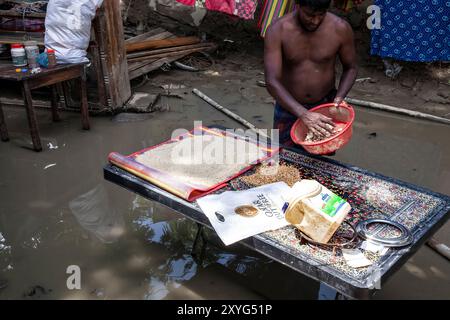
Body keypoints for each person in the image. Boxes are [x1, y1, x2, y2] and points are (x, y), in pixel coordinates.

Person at [264, 0, 357, 150]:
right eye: (309, 15)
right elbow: (272, 80)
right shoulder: (278, 30)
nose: (315, 21)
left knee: (322, 156)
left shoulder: (340, 28)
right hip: (289, 104)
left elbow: (351, 68)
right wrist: (304, 114)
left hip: (325, 104)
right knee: (284, 155)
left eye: (321, 15)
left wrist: (339, 98)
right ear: (298, 5)